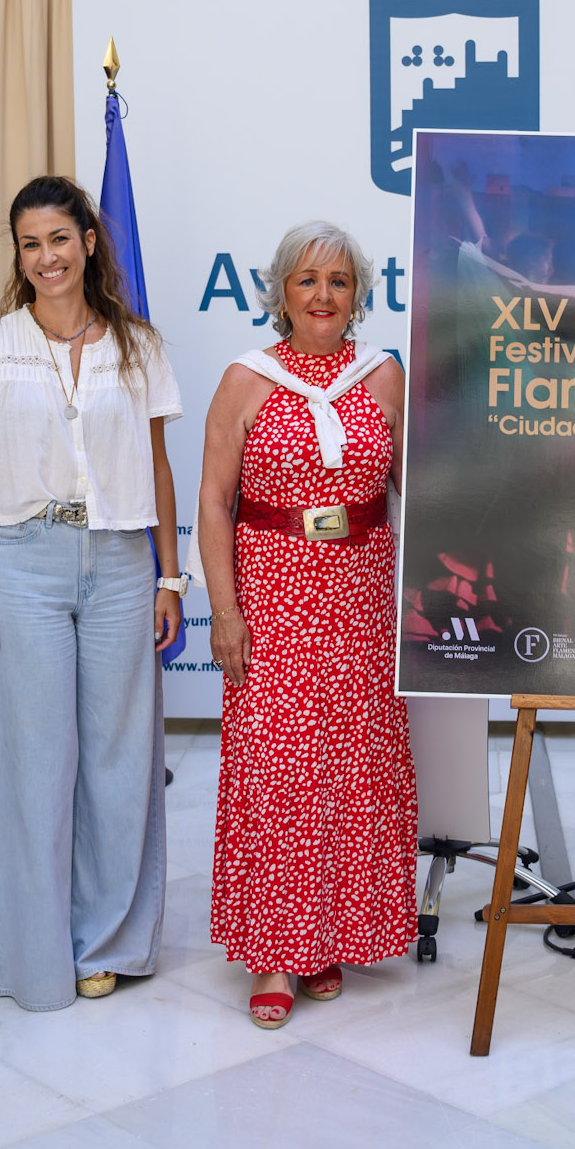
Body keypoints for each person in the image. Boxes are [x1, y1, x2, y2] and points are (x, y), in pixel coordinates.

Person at [0, 176, 184, 1010]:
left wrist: (168, 574)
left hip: (120, 560)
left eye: (58, 239)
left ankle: (108, 940)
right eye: (28, 243)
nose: (45, 257)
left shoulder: (139, 346)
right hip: (21, 561)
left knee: (120, 763)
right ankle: (36, 954)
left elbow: (157, 469)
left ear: (88, 241)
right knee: (33, 763)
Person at [197, 220, 414, 1029]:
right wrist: (223, 610)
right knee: (280, 776)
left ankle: (328, 937)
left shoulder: (382, 376)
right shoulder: (245, 379)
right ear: (280, 292)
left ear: (359, 294)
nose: (323, 296)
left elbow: (411, 491)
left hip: (360, 596)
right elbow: (215, 502)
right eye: (307, 281)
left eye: (339, 281)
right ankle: (276, 955)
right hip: (273, 597)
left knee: (349, 771)